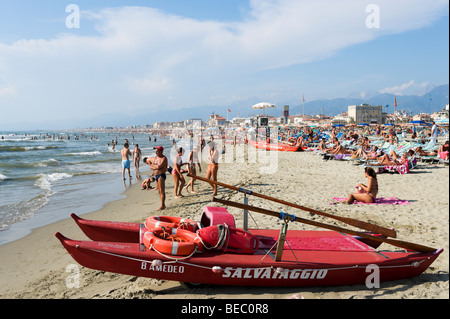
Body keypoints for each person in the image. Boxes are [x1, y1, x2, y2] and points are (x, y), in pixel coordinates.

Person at [143, 146, 168, 210]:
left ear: (161, 151)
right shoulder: (154, 158)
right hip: (156, 175)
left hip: (161, 175)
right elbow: (147, 160)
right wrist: (152, 165)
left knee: (162, 190)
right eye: (155, 151)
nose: (156, 152)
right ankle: (162, 204)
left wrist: (153, 166)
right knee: (159, 190)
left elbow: (159, 167)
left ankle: (163, 205)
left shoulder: (164, 158)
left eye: (157, 151)